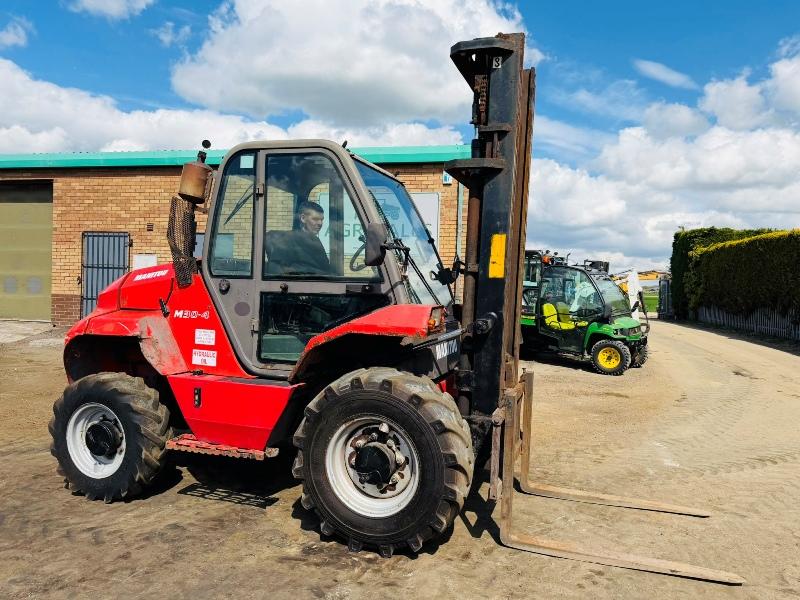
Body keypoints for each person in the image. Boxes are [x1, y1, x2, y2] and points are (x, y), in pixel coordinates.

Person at [265, 201, 331, 275]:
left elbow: (326, 270)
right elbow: (276, 270)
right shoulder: (287, 240)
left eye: (322, 220)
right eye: (315, 219)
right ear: (303, 218)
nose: (320, 223)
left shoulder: (315, 241)